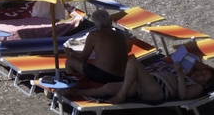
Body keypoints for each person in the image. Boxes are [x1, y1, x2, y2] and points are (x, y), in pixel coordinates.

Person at [85, 50, 214, 104]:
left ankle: (121, 96)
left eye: (203, 75)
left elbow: (183, 96)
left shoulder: (197, 87)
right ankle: (75, 92)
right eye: (201, 71)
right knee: (109, 87)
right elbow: (196, 62)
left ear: (206, 84)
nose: (199, 73)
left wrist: (179, 74)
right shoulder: (188, 75)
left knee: (133, 62)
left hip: (156, 91)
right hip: (149, 84)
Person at [65, 8, 129, 83]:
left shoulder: (94, 35)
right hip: (122, 76)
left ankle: (72, 85)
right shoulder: (121, 36)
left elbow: (83, 58)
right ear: (110, 22)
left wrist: (70, 53)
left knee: (69, 62)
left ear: (95, 24)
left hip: (104, 75)